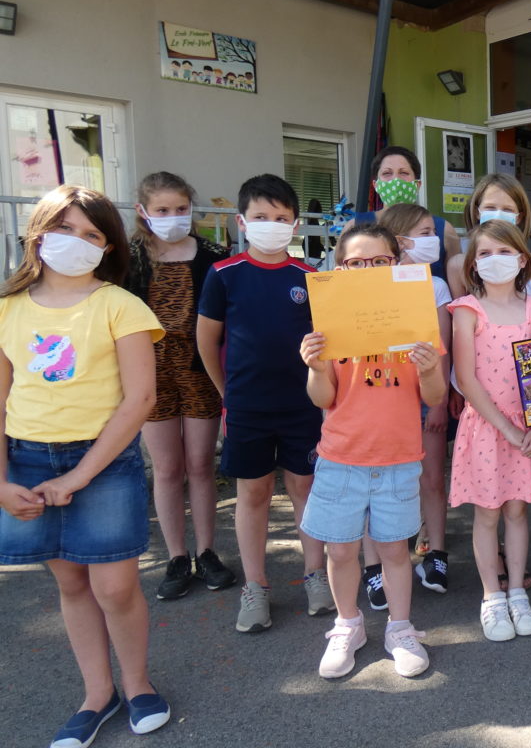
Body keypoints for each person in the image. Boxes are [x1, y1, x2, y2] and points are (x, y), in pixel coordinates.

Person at [0, 185, 172, 744]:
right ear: (37, 233)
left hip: (103, 461)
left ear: (108, 247)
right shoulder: (7, 308)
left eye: (92, 234)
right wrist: (0, 481)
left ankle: (137, 684)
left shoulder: (121, 306)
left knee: (116, 588)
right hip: (27, 459)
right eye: (64, 229)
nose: (76, 241)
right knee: (71, 583)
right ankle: (97, 694)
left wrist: (79, 475)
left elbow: (140, 399)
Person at [298, 223, 446, 679]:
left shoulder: (415, 322)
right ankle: (348, 625)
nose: (368, 269)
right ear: (340, 269)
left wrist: (429, 369)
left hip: (399, 459)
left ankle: (400, 628)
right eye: (356, 262)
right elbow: (323, 398)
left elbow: (434, 396)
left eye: (380, 261)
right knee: (341, 552)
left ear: (395, 265)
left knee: (395, 551)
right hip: (340, 458)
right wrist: (316, 367)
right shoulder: (330, 325)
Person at [196, 174, 334, 634]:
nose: (270, 224)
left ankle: (315, 574)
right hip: (247, 408)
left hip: (302, 406)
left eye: (280, 217)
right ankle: (254, 586)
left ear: (294, 225)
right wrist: (226, 395)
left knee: (304, 489)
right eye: (260, 216)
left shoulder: (309, 277)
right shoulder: (224, 274)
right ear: (242, 222)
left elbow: (327, 341)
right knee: (252, 494)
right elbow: (207, 341)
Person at [124, 171, 236, 601]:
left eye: (181, 209)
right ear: (144, 211)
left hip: (199, 371)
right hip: (150, 376)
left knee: (201, 464)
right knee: (167, 468)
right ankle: (176, 556)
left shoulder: (212, 255)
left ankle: (207, 551)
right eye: (163, 210)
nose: (173, 216)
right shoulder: (129, 259)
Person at [449, 220, 531, 641]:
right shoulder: (467, 310)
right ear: (473, 263)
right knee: (488, 513)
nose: (495, 260)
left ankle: (517, 592)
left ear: (522, 259)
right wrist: (506, 428)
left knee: (517, 511)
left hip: (527, 426)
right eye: (485, 253)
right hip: (487, 427)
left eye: (504, 251)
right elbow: (467, 378)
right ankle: (492, 595)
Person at [377, 203, 454, 596]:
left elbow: (444, 346)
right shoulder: (372, 282)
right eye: (425, 233)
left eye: (432, 232)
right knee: (380, 479)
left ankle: (436, 554)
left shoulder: (435, 285)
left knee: (432, 477)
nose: (433, 240)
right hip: (382, 394)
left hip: (426, 393)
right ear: (401, 239)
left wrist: (439, 402)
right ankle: (378, 564)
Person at [350, 146, 459, 279]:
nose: (396, 180)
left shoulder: (444, 229)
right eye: (387, 173)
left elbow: (458, 281)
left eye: (404, 173)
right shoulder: (355, 227)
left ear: (417, 184)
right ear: (376, 185)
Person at [446, 173, 531, 302]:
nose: (498, 215)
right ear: (476, 212)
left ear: (519, 217)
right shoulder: (458, 265)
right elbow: (457, 310)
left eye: (507, 210)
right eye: (490, 208)